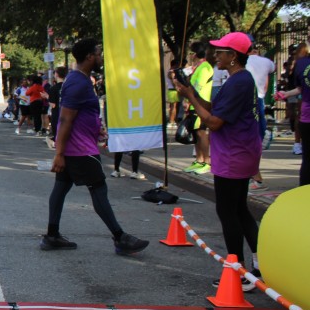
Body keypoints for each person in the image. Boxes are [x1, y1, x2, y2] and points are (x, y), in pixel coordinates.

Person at [41, 39, 149, 255]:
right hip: (80, 150)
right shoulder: (78, 82)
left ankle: (52, 235)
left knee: (61, 188)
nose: (101, 57)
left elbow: (79, 115)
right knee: (98, 189)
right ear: (90, 56)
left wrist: (96, 130)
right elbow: (66, 118)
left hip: (76, 147)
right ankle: (120, 237)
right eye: (98, 53)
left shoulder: (79, 79)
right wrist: (59, 153)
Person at [175, 32, 262, 289]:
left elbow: (214, 122)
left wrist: (190, 97)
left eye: (221, 51)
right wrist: (190, 92)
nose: (216, 54)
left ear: (233, 56)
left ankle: (238, 271)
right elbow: (214, 108)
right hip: (238, 151)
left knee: (228, 211)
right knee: (239, 209)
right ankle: (258, 265)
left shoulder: (238, 81)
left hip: (234, 154)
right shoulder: (238, 79)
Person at [275, 39, 309, 186]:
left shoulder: (301, 64)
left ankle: (304, 191)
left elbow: (301, 88)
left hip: (306, 117)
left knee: (307, 158)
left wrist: (286, 93)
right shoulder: (302, 64)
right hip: (307, 115)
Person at [245, 39, 276, 190]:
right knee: (256, 139)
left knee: (248, 140)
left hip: (246, 101)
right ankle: (254, 176)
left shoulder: (238, 62)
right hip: (259, 100)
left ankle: (255, 177)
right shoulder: (266, 62)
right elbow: (269, 76)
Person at [184, 42, 213, 174]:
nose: (190, 55)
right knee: (196, 132)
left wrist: (190, 100)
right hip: (194, 103)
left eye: (191, 52)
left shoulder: (205, 67)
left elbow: (197, 87)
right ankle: (199, 160)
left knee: (201, 132)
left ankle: (207, 161)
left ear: (195, 54)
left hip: (201, 104)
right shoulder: (198, 67)